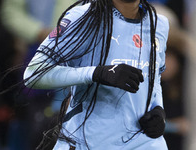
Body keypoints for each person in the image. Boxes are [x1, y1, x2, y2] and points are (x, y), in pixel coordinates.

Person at [23, 0, 169, 149]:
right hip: (87, 142)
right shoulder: (82, 17)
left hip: (145, 143)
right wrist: (96, 73)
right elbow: (33, 73)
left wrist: (158, 109)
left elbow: (155, 77)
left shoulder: (159, 24)